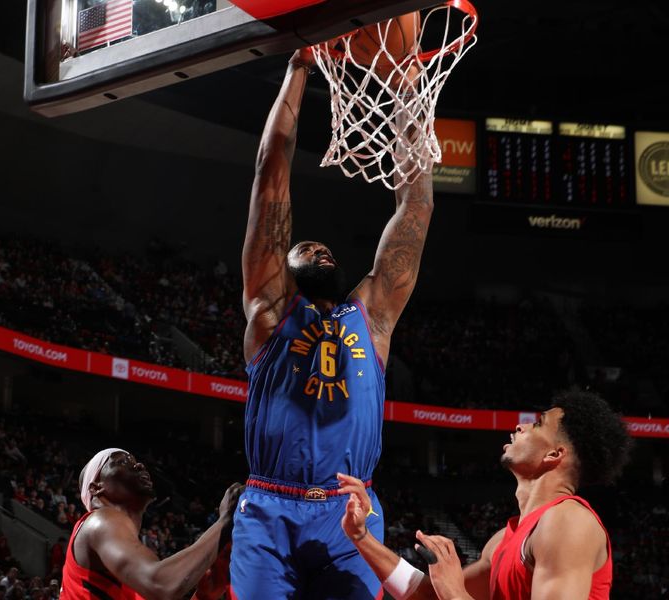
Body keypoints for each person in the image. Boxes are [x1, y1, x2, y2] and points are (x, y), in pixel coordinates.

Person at [232, 41, 434, 598]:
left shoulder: (371, 315)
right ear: (282, 268)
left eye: (325, 249)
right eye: (305, 249)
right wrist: (298, 69)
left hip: (351, 511)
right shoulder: (271, 312)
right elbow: (270, 171)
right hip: (270, 509)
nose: (319, 252)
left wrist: (410, 92)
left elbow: (415, 209)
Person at [338, 390, 632, 600]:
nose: (521, 425)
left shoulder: (569, 522)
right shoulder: (505, 539)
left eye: (539, 423)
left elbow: (449, 594)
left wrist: (454, 591)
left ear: (555, 454)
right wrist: (361, 537)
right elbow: (429, 595)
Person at [60, 448, 242, 600]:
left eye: (135, 460)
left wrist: (204, 596)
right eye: (122, 462)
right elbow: (161, 585)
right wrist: (224, 521)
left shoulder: (133, 577)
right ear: (96, 488)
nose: (139, 465)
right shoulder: (99, 521)